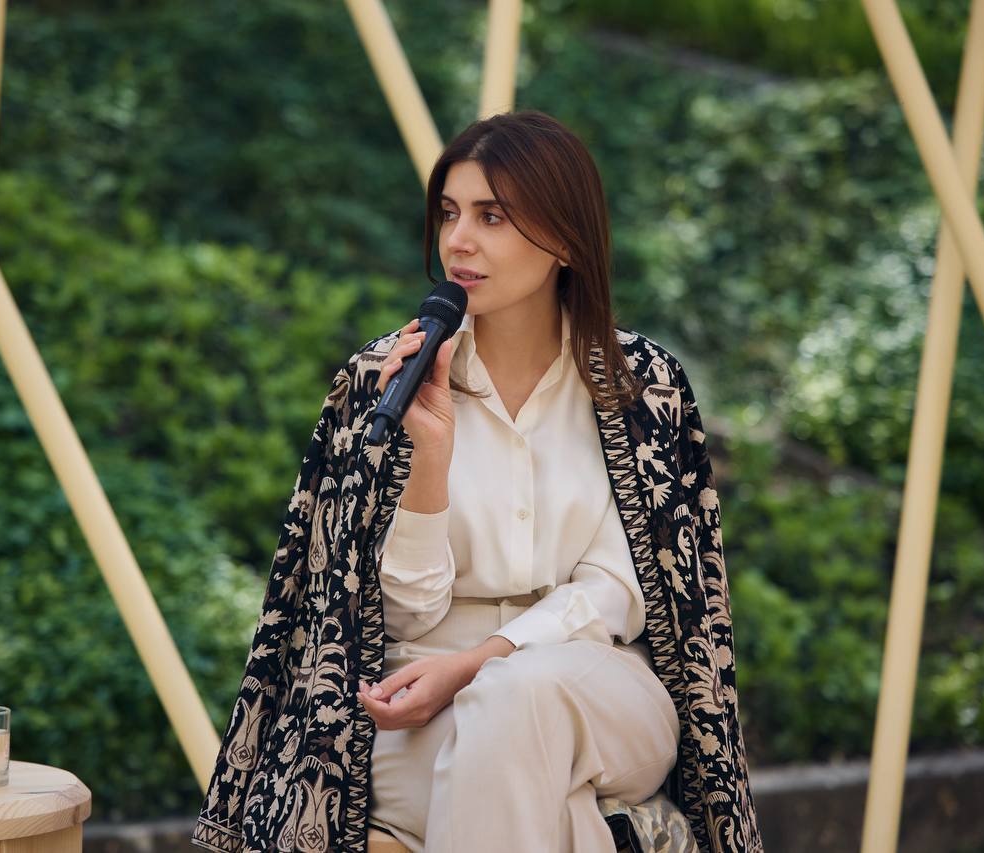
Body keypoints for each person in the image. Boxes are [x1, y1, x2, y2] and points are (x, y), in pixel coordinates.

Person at [193, 110, 761, 853]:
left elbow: (618, 592)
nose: (458, 240)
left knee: (513, 698)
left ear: (564, 238)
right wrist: (428, 453)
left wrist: (480, 661)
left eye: (492, 217)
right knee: (533, 791)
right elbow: (397, 614)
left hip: (597, 682)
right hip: (414, 700)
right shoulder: (387, 378)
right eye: (450, 213)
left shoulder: (642, 385)